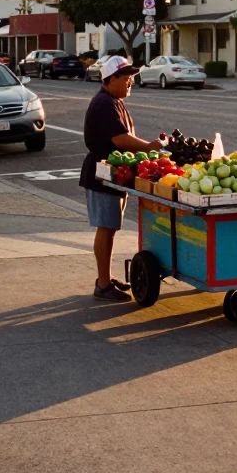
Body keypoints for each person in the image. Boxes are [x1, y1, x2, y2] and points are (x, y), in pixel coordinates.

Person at [80, 55, 162, 302]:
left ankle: (105, 278)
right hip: (102, 174)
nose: (130, 84)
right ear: (111, 78)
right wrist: (150, 148)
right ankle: (103, 285)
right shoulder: (105, 103)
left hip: (115, 174)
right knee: (106, 228)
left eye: (131, 79)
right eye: (126, 79)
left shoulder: (113, 101)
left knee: (110, 228)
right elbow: (120, 139)